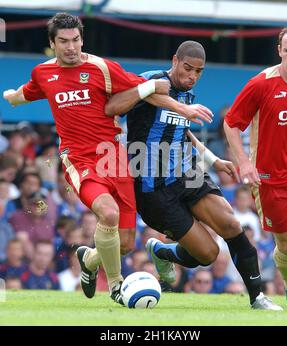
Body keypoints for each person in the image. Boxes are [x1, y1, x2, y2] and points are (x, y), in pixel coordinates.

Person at [3, 13, 213, 305]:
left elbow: (144, 92)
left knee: (125, 244)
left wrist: (178, 106)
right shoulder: (44, 73)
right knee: (108, 213)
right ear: (53, 43)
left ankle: (88, 261)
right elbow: (28, 92)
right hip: (78, 157)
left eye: (75, 40)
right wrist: (11, 96)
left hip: (114, 156)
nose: (71, 47)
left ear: (82, 39)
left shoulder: (102, 67)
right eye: (63, 41)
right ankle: (116, 285)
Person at [105, 40, 282, 310]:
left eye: (199, 71)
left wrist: (212, 159)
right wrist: (161, 97)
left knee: (232, 226)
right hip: (153, 188)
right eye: (188, 68)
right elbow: (114, 105)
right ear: (175, 60)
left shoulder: (188, 94)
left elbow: (181, 132)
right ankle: (162, 251)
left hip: (187, 175)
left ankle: (257, 297)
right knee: (208, 254)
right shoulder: (152, 80)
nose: (192, 76)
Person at [224, 24, 287, 306]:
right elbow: (231, 124)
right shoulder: (262, 83)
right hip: (272, 177)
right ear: (279, 50)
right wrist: (244, 163)